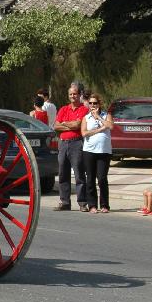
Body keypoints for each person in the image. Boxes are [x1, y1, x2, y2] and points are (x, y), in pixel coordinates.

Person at [53, 81, 89, 211]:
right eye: (70, 94)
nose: (73, 96)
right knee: (63, 173)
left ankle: (82, 203)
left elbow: (78, 125)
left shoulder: (84, 110)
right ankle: (65, 202)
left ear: (79, 95)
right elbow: (56, 126)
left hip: (76, 143)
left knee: (79, 173)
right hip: (63, 144)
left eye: (75, 94)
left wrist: (65, 123)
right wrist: (71, 124)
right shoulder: (63, 109)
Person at [80, 92, 113, 213]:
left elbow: (111, 126)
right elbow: (84, 133)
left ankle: (105, 205)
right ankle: (92, 205)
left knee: (102, 178)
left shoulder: (106, 115)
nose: (93, 105)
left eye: (95, 103)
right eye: (91, 103)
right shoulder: (86, 118)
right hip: (89, 151)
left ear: (99, 104)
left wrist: (99, 117)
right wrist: (100, 129)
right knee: (90, 179)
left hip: (104, 151)